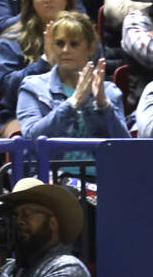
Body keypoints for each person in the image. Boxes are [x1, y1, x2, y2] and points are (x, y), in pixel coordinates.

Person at [17, 10, 129, 170]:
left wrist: (104, 105)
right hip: (51, 181)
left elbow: (125, 146)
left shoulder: (109, 92)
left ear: (90, 47)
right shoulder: (33, 87)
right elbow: (32, 138)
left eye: (74, 44)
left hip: (102, 182)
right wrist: (72, 103)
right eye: (60, 43)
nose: (65, 50)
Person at [0, 0, 78, 136]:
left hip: (77, 110)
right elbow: (9, 89)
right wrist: (44, 61)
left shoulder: (84, 35)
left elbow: (97, 79)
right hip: (20, 114)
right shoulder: (11, 38)